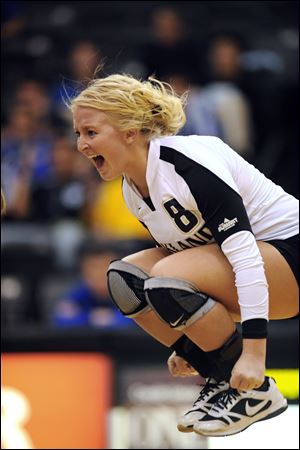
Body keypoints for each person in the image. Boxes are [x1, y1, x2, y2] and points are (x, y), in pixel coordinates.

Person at [69, 73, 298, 437]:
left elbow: (243, 259)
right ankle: (222, 378)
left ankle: (255, 391)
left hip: (289, 255)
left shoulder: (189, 162)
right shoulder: (132, 188)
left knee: (167, 275)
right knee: (125, 278)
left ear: (130, 132)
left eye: (91, 133)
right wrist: (193, 342)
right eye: (78, 133)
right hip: (256, 269)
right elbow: (191, 260)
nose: (81, 144)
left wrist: (255, 354)